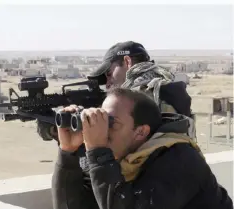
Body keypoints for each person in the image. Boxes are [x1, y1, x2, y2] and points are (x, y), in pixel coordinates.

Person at [52, 88, 233, 209]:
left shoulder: (178, 159)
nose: (101, 131)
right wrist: (68, 152)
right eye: (101, 120)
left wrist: (98, 151)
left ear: (140, 132)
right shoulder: (124, 159)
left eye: (111, 124)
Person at [36, 40, 194, 142]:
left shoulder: (143, 93)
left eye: (109, 74)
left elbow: (111, 145)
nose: (107, 83)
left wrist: (57, 125)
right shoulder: (165, 86)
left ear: (127, 61)